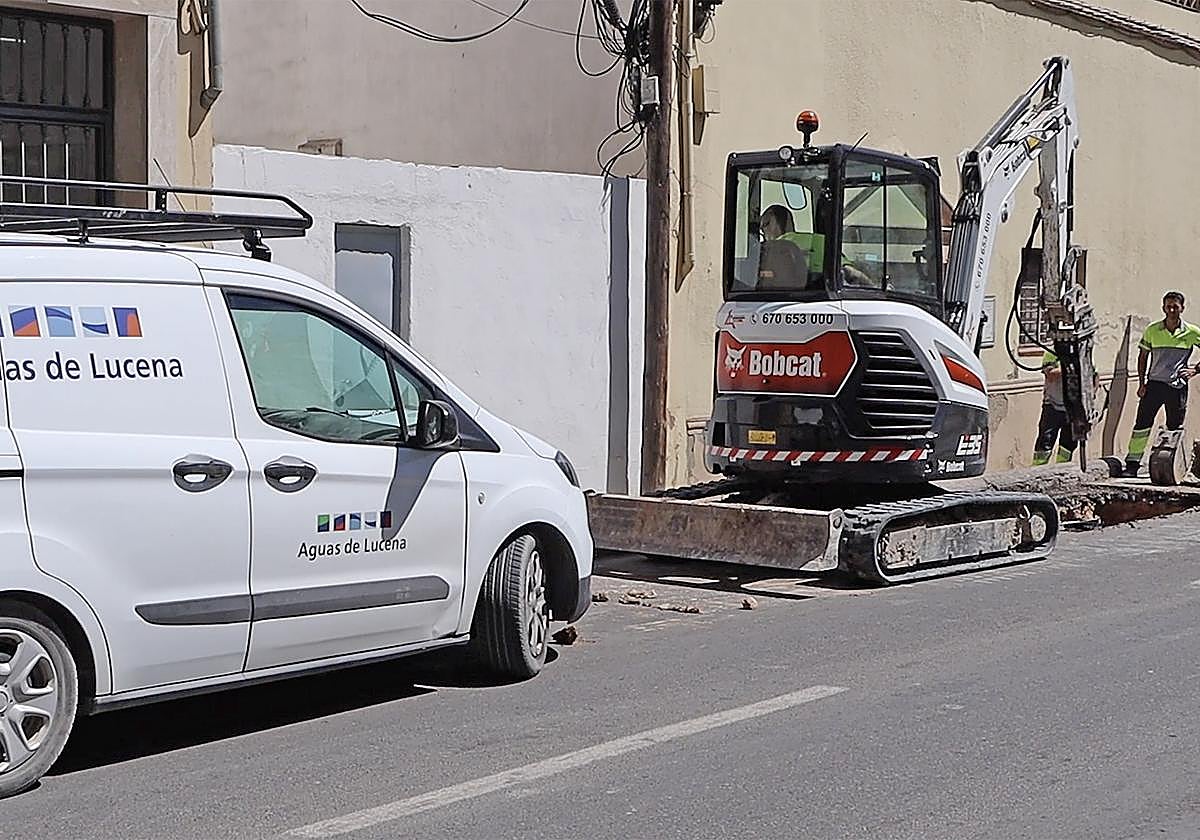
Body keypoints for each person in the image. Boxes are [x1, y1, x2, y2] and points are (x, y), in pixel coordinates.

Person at [1122, 290, 1200, 476]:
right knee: (1142, 425)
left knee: (1174, 428)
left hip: (1177, 387)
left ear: (1182, 308)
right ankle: (1132, 464)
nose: (1172, 310)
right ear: (1163, 308)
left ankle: (1170, 467)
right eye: (1168, 307)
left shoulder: (1191, 332)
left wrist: (1195, 370)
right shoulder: (1152, 330)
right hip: (1154, 385)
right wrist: (1142, 383)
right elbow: (1142, 357)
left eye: (1175, 307)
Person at [759, 204, 872, 286]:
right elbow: (851, 273)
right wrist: (871, 286)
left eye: (763, 226)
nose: (763, 232)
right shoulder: (818, 240)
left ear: (773, 222)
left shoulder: (766, 250)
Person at [1033, 350, 1078, 465]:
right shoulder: (1052, 351)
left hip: (1073, 407)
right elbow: (1051, 375)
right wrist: (1072, 368)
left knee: (1068, 444)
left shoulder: (1081, 351)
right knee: (1045, 440)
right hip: (1052, 406)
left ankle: (1062, 467)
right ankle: (1038, 469)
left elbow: (1093, 375)